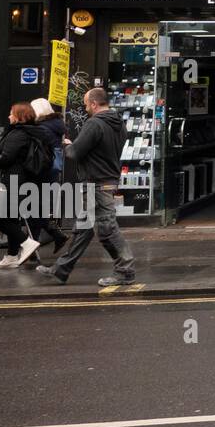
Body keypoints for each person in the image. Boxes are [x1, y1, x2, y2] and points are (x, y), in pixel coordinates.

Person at [36, 87, 136, 286]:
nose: (84, 107)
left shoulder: (94, 124)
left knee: (107, 228)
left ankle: (125, 270)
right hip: (106, 179)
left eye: (85, 104)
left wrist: (67, 145)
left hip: (96, 182)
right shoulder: (119, 124)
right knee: (83, 228)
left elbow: (74, 153)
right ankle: (61, 269)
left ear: (94, 103)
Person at [0, 103, 50, 269]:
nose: (9, 116)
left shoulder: (18, 134)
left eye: (12, 114)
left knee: (0, 219)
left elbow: (6, 159)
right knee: (10, 218)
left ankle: (27, 243)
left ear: (20, 117)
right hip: (19, 180)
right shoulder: (29, 132)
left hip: (12, 181)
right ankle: (11, 256)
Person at [30, 98, 70, 252]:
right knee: (37, 208)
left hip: (42, 170)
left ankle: (48, 237)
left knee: (34, 208)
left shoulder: (42, 128)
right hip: (53, 170)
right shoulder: (57, 125)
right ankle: (34, 247)